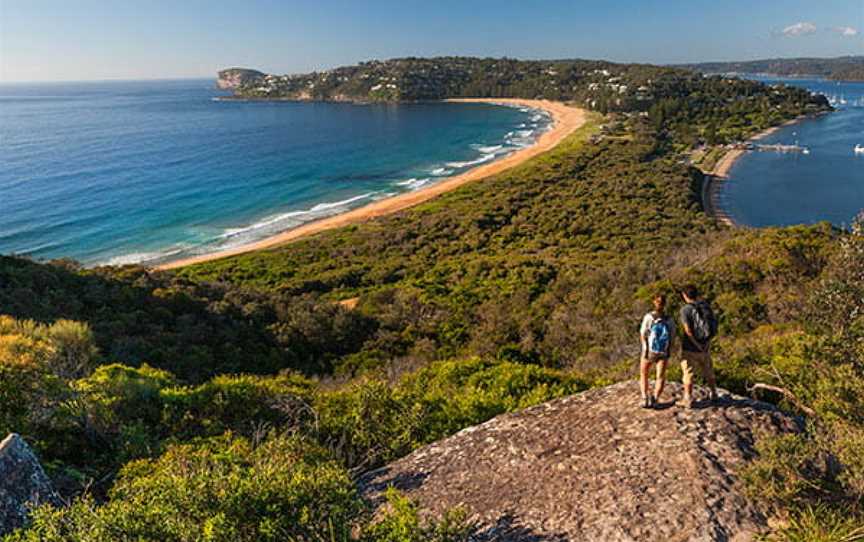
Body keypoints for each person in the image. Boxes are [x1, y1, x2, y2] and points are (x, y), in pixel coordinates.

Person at [679, 285, 718, 408]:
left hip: (690, 348)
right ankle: (714, 393)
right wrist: (705, 344)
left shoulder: (685, 310)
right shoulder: (706, 307)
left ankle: (688, 398)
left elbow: (688, 331)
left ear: (685, 296)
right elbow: (713, 327)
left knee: (688, 373)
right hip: (705, 346)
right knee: (708, 370)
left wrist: (696, 344)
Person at [639, 294, 675, 408]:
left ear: (654, 302)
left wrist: (645, 348)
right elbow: (672, 336)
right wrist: (668, 350)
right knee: (660, 376)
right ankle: (655, 399)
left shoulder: (649, 317)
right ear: (665, 304)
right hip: (663, 351)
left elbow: (643, 333)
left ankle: (645, 398)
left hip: (649, 351)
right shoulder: (669, 319)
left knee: (644, 374)